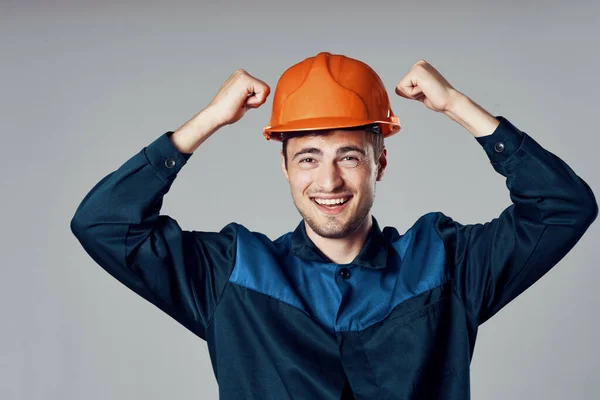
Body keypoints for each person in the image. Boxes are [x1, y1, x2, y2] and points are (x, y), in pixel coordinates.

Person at [70, 52, 597, 399]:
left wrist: (457, 106)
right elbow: (102, 224)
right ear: (283, 167)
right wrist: (208, 119)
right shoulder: (231, 273)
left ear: (379, 164)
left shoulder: (446, 263)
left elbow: (563, 207)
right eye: (307, 158)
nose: (329, 181)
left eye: (349, 156)